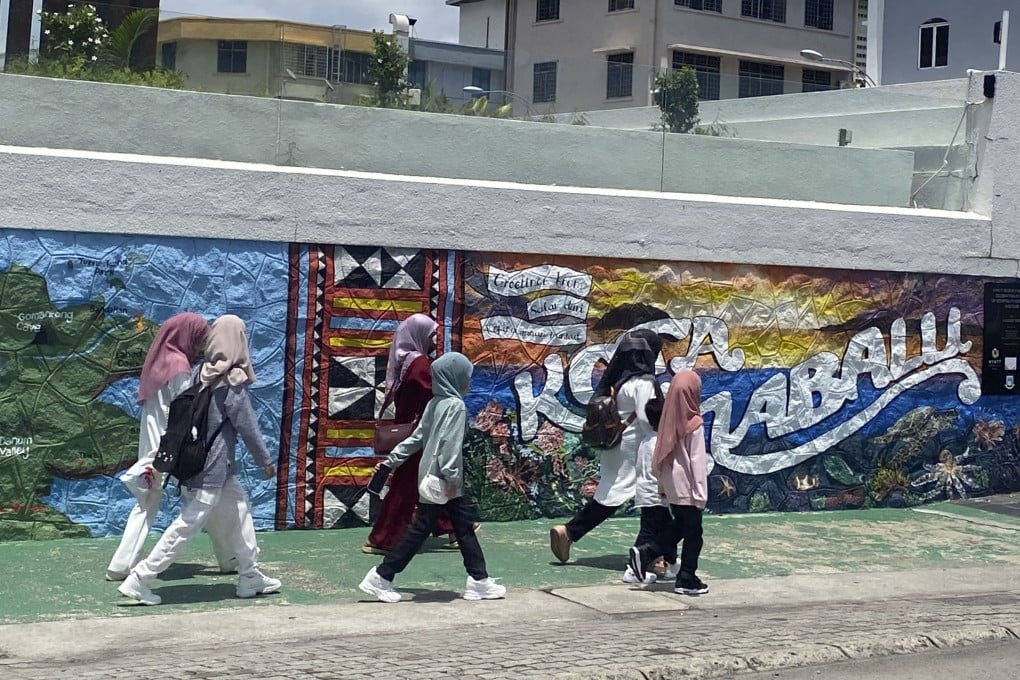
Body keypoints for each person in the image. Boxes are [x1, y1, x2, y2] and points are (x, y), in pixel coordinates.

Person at [117, 315, 281, 605]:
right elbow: (247, 426)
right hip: (212, 467)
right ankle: (140, 578)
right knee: (187, 525)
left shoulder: (200, 372)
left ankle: (250, 575)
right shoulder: (233, 380)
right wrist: (264, 460)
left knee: (240, 510)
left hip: (199, 463)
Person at [358, 352, 506, 603]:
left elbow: (416, 439)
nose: (467, 382)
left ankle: (479, 580)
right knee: (423, 530)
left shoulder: (434, 403)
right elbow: (449, 445)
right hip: (445, 482)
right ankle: (381, 576)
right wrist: (450, 479)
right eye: (465, 376)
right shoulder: (456, 406)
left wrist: (391, 461)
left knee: (463, 528)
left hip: (429, 477)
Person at [106, 312, 237, 582]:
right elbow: (183, 408)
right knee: (201, 496)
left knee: (157, 502)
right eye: (199, 338)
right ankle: (228, 557)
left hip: (153, 448)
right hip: (172, 446)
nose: (201, 345)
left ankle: (121, 564)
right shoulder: (179, 366)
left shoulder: (158, 363)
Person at [550, 329, 662, 564]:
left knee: (610, 495)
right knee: (652, 500)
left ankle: (570, 532)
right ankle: (648, 553)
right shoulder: (644, 382)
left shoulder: (617, 380)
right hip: (636, 451)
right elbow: (646, 420)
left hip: (615, 448)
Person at [363, 314, 454, 554]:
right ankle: (383, 538)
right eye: (431, 334)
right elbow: (433, 393)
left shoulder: (406, 360)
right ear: (419, 335)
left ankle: (453, 525)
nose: (435, 340)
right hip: (418, 434)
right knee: (406, 486)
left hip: (414, 431)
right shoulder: (420, 364)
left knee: (430, 480)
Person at [628, 369, 709, 595]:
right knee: (694, 534)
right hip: (690, 487)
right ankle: (686, 578)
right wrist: (701, 493)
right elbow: (697, 461)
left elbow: (659, 457)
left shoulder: (667, 423)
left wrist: (662, 486)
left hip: (671, 486)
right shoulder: (693, 423)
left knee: (681, 527)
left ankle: (648, 553)